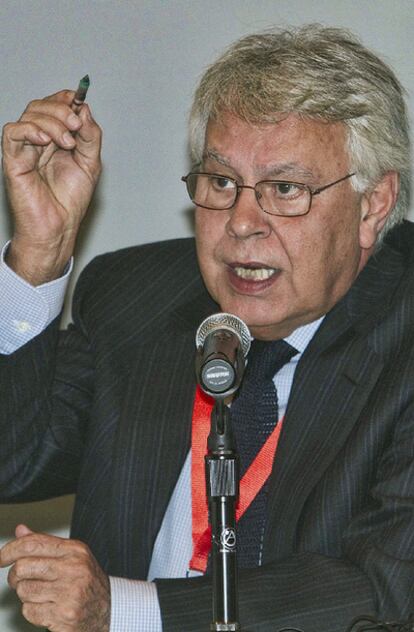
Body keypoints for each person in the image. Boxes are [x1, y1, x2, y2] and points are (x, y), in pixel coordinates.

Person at [0, 23, 413, 632]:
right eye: (222, 183)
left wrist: (126, 611)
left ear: (372, 205)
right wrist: (40, 254)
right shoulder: (133, 298)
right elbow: (16, 460)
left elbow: (384, 589)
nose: (242, 222)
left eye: (284, 189)